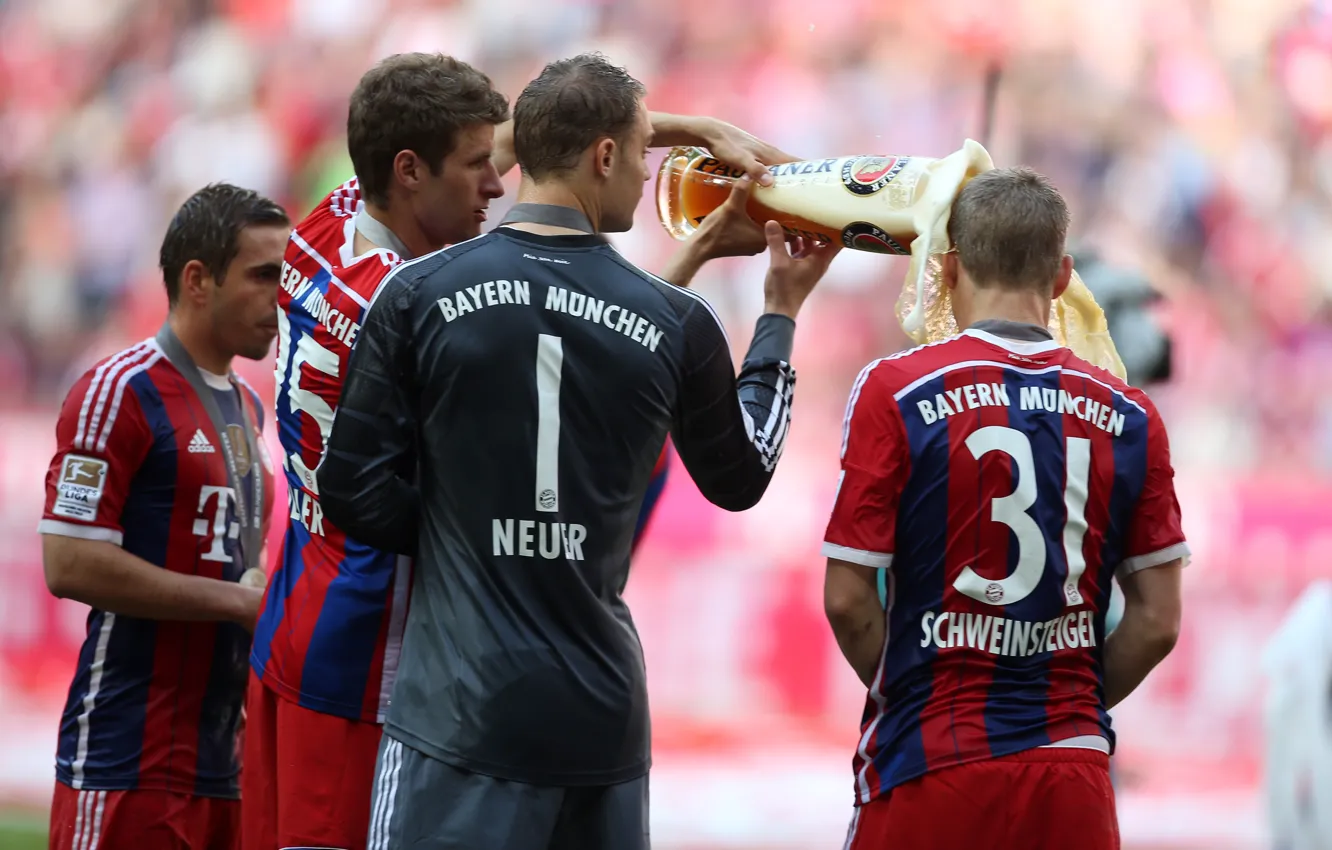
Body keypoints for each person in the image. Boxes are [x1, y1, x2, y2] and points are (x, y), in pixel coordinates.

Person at [245, 50, 798, 850]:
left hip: (301, 602)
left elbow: (565, 302)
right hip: (380, 646)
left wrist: (685, 131)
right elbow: (586, 352)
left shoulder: (329, 225)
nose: (496, 182)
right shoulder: (404, 300)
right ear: (410, 174)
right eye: (476, 167)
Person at [822, 166, 1188, 850]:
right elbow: (1159, 621)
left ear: (950, 267)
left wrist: (912, 691)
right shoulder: (1131, 414)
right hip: (1071, 767)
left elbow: (847, 599)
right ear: (1061, 278)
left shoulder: (896, 387)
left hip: (930, 758)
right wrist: (1053, 702)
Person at [39, 183, 289, 850]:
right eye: (264, 276)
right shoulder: (119, 390)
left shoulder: (249, 408)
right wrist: (235, 602)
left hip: (222, 768)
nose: (281, 298)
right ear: (198, 280)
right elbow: (68, 562)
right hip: (126, 765)